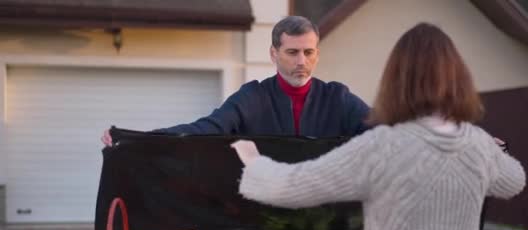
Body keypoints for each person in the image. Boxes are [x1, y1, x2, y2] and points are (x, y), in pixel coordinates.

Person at [230, 23, 526, 230]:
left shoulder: (382, 147)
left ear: (396, 81)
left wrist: (253, 161)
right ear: (458, 79)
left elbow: (295, 185)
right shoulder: (477, 145)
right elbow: (514, 181)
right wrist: (488, 151)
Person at [101, 16, 369, 146]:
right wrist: (135, 139)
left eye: (308, 52)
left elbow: (385, 132)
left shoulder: (338, 98)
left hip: (326, 218)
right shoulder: (253, 98)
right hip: (266, 215)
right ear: (274, 54)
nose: (301, 61)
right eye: (292, 52)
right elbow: (206, 128)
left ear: (317, 54)